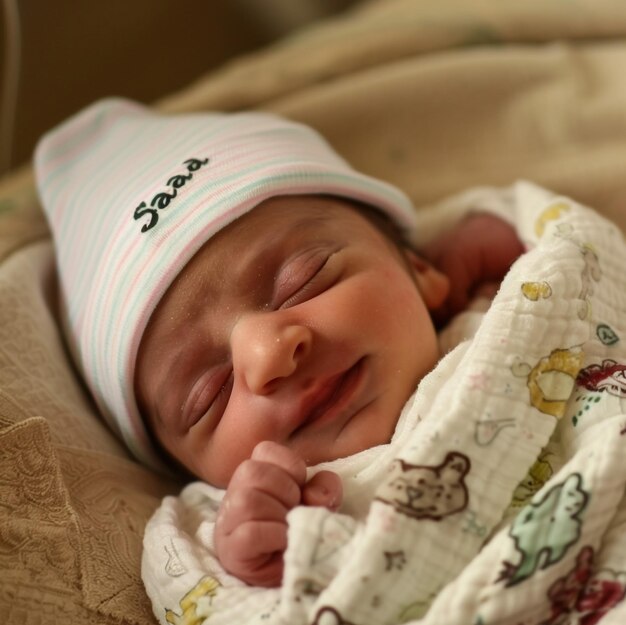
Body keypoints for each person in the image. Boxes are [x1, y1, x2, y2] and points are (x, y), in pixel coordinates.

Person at [35, 98, 523, 588]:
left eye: (302, 280)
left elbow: (563, 240)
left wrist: (507, 232)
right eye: (207, 393)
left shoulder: (499, 308)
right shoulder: (224, 529)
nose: (268, 355)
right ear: (186, 471)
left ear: (420, 269)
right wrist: (252, 568)